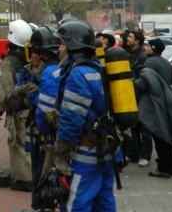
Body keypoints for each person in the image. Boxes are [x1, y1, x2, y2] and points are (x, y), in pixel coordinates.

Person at [48, 20, 116, 212]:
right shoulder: (96, 69)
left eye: (62, 43)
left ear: (73, 45)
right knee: (104, 203)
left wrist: (60, 153)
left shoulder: (77, 75)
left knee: (76, 205)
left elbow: (71, 120)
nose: (59, 48)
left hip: (86, 155)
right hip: (106, 151)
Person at [21, 25, 61, 211]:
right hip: (55, 136)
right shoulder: (62, 68)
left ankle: (42, 207)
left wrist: (30, 95)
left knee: (43, 176)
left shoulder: (49, 73)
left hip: (44, 138)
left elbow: (44, 111)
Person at [134, 55, 172, 179]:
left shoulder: (146, 73)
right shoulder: (163, 71)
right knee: (167, 138)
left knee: (160, 139)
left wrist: (134, 82)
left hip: (156, 111)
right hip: (163, 107)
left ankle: (163, 168)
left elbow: (143, 85)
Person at [0, 19, 34, 192]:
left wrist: (0, 108)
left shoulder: (9, 61)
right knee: (30, 142)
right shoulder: (31, 58)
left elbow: (5, 89)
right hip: (31, 107)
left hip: (17, 111)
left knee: (18, 144)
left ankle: (23, 179)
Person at [125, 30, 153, 167]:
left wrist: (135, 83)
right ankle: (134, 153)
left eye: (130, 37)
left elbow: (143, 76)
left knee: (144, 127)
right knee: (133, 126)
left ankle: (145, 155)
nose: (127, 39)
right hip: (132, 95)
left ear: (137, 41)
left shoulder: (141, 57)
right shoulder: (130, 54)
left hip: (141, 95)